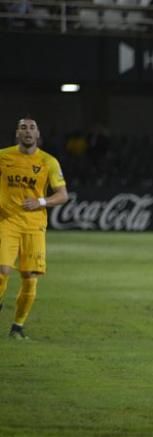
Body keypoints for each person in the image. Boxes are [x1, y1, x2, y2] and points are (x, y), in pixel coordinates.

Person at [0, 116, 68, 339]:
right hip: (6, 222)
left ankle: (17, 327)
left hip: (34, 225)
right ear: (17, 134)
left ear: (38, 135)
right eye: (23, 128)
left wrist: (40, 202)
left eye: (32, 128)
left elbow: (62, 195)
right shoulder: (3, 156)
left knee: (29, 276)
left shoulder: (49, 162)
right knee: (2, 271)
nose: (28, 131)